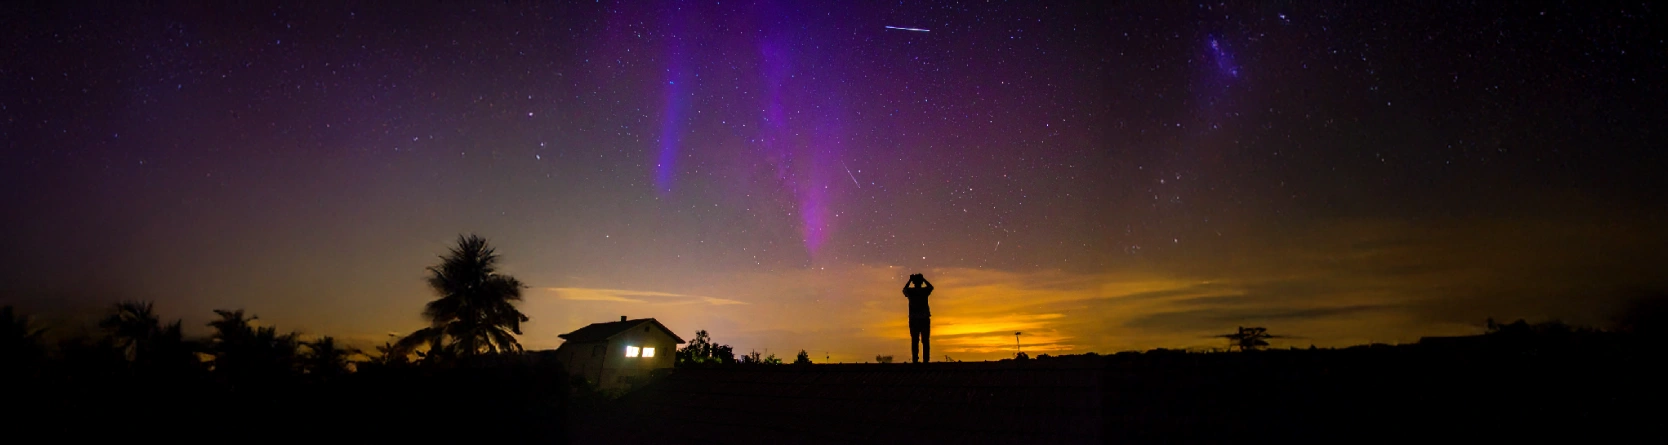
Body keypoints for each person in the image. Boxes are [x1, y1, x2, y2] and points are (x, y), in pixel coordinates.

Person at [902, 273, 934, 363]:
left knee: (915, 340)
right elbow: (931, 287)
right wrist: (923, 279)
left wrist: (909, 280)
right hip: (924, 318)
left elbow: (904, 290)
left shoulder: (911, 292)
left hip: (914, 319)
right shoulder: (924, 291)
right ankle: (926, 360)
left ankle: (915, 360)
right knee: (925, 340)